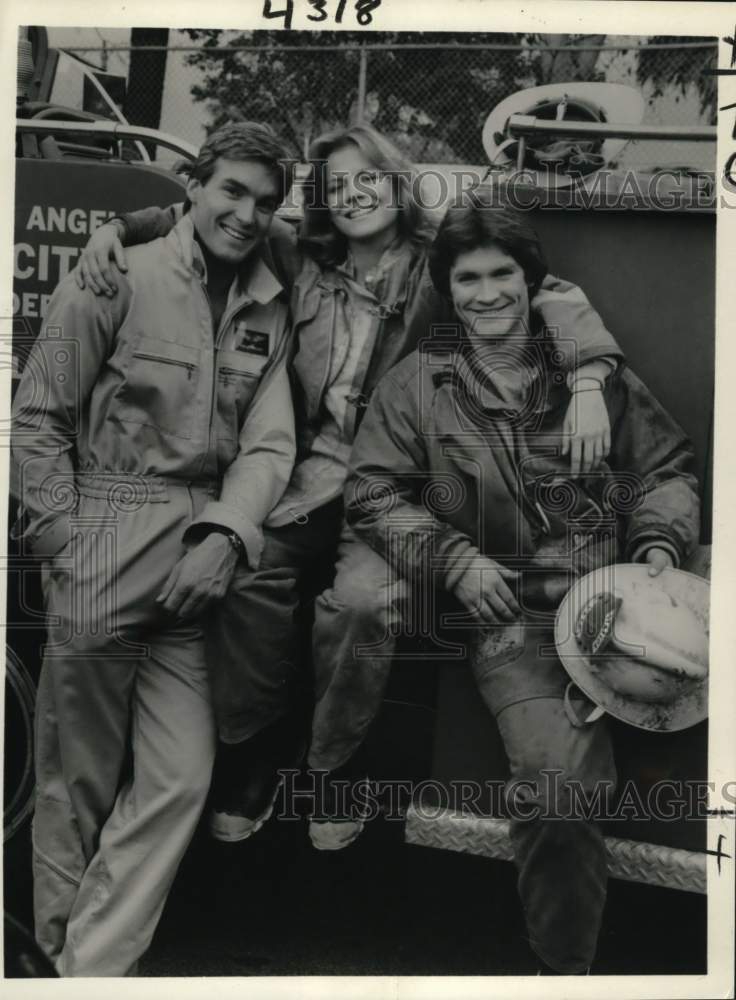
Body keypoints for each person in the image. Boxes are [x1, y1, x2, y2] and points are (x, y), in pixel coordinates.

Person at [73, 124, 624, 848]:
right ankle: (256, 747)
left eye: (371, 177)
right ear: (323, 199)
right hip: (310, 475)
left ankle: (333, 761)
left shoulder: (439, 265)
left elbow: (545, 290)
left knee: (364, 604)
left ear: (398, 183)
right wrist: (114, 227)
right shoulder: (298, 253)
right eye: (339, 182)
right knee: (245, 577)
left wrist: (589, 378)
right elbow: (204, 219)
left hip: (397, 486)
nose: (356, 193)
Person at [331, 191, 700, 971]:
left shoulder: (593, 375)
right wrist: (455, 562)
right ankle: (565, 976)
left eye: (504, 274)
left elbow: (667, 469)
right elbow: (370, 491)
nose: (488, 294)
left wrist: (661, 552)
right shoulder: (419, 385)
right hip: (519, 625)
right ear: (448, 288)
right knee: (561, 797)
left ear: (532, 281)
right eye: (468, 278)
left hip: (622, 597)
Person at [11, 121, 297, 976]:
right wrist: (64, 539)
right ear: (196, 189)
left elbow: (270, 446)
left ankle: (81, 969)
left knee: (178, 778)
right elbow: (38, 418)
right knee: (78, 782)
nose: (246, 214)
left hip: (197, 559)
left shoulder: (269, 301)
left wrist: (226, 534)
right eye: (232, 191)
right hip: (105, 524)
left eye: (266, 201)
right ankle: (70, 960)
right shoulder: (115, 275)